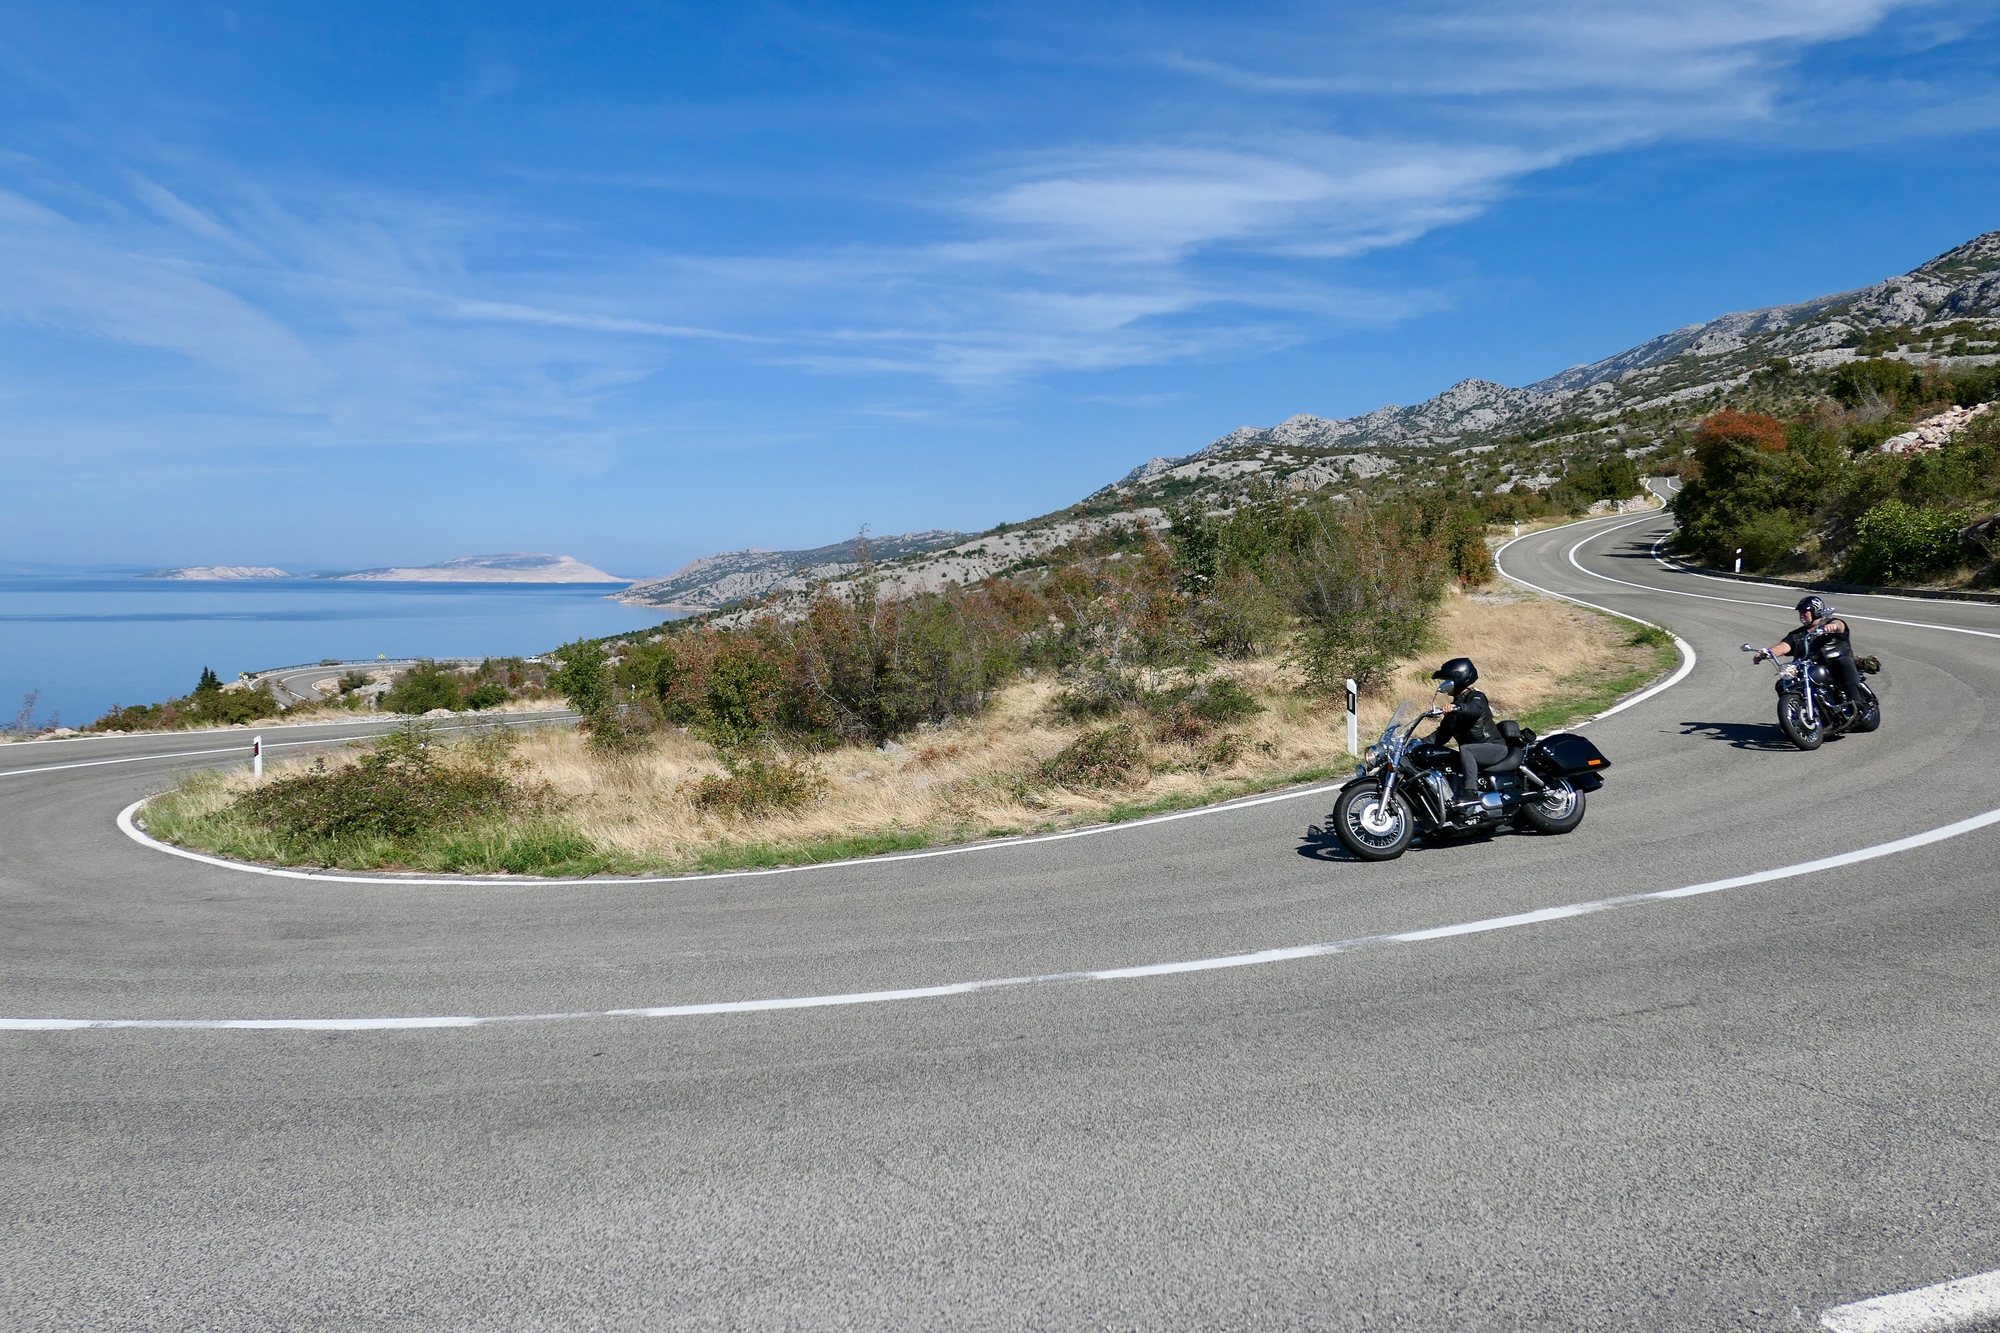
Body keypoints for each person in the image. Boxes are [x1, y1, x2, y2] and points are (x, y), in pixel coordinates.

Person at [1430, 657, 1508, 814]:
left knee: (1466, 749)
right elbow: (1440, 737)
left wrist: (1457, 707)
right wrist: (1416, 744)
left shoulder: (1476, 696)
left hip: (1493, 747)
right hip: (1474, 751)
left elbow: (1475, 709)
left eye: (1448, 680)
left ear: (1459, 678)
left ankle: (1470, 792)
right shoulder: (1453, 710)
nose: (1445, 684)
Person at [1757, 596, 1864, 702]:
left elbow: (1840, 625)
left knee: (1844, 662)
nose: (1801, 614)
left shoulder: (1829, 624)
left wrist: (1833, 626)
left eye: (1805, 611)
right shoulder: (1797, 634)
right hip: (1810, 670)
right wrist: (1766, 653)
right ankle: (1798, 707)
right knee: (1783, 683)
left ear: (1816, 611)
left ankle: (1857, 701)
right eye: (1800, 612)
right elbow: (1783, 646)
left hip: (1833, 667)